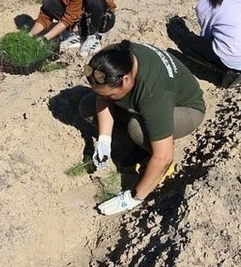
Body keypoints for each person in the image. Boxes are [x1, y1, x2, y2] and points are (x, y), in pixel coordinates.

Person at [79, 40, 206, 215]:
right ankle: (143, 141)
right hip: (148, 104)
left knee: (137, 129)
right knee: (88, 107)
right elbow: (103, 97)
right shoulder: (111, 59)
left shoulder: (154, 93)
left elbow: (164, 156)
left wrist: (133, 198)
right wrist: (104, 139)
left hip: (185, 109)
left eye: (112, 94)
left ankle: (153, 161)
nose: (109, 98)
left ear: (126, 80)